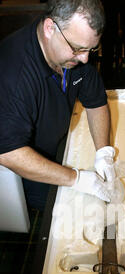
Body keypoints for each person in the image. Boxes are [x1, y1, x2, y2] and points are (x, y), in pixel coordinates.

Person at [0, 0, 116, 210]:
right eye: (77, 48)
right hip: (20, 168)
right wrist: (76, 179)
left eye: (91, 49)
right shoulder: (13, 73)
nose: (84, 58)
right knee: (76, 208)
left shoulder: (72, 52)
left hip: (56, 145)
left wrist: (103, 152)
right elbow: (9, 153)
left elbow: (96, 102)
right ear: (50, 28)